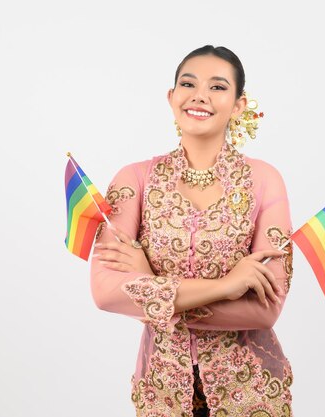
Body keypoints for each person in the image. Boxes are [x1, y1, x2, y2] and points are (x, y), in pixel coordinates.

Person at [90, 45, 295, 417]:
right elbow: (106, 291)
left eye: (217, 87)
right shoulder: (134, 179)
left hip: (251, 390)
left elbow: (266, 309)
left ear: (239, 105)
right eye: (188, 83)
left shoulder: (265, 181)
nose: (200, 95)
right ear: (172, 98)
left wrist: (150, 283)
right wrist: (225, 287)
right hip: (162, 391)